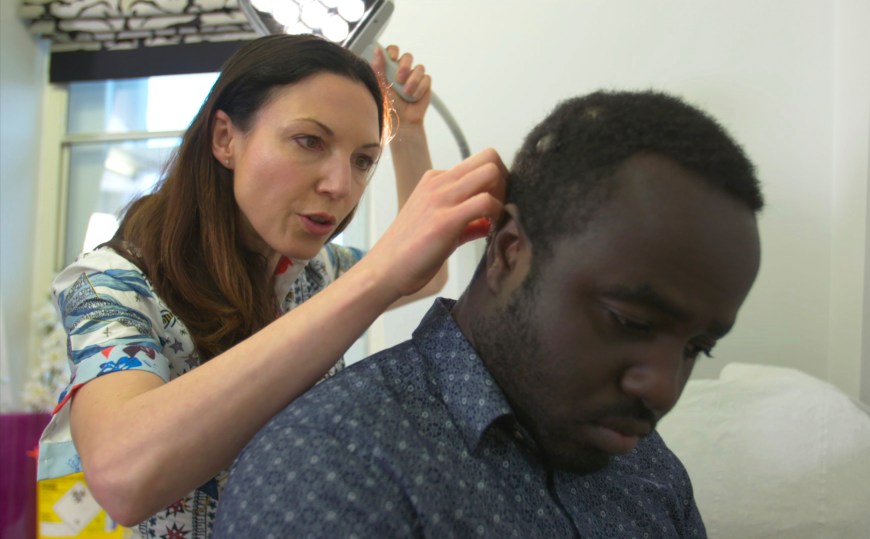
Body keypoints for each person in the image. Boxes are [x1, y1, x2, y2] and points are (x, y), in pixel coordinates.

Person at [217, 89, 765, 537]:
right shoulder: (330, 474)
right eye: (631, 321)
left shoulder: (648, 469)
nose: (664, 390)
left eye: (696, 347)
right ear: (508, 251)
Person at [36, 34, 507, 537]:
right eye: (310, 141)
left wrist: (409, 132)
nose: (340, 186)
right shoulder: (112, 285)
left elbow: (424, 272)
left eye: (363, 160)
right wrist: (376, 275)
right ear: (225, 139)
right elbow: (122, 477)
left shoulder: (312, 273)